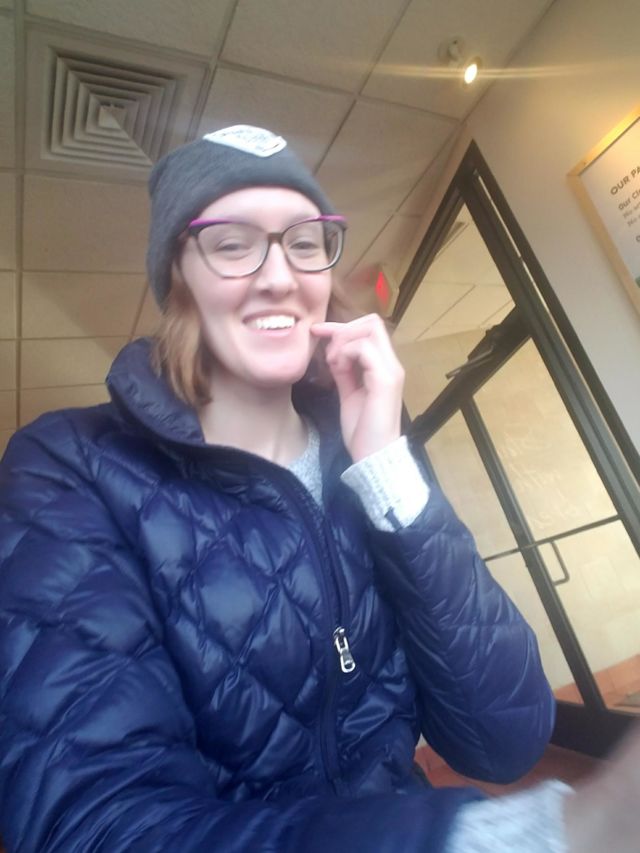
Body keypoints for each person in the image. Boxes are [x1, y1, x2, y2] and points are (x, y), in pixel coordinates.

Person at [0, 125, 558, 852]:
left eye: (304, 241)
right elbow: (95, 822)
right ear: (178, 277)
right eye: (232, 244)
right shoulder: (71, 466)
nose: (279, 276)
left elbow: (507, 737)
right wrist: (468, 840)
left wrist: (389, 468)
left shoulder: (368, 458)